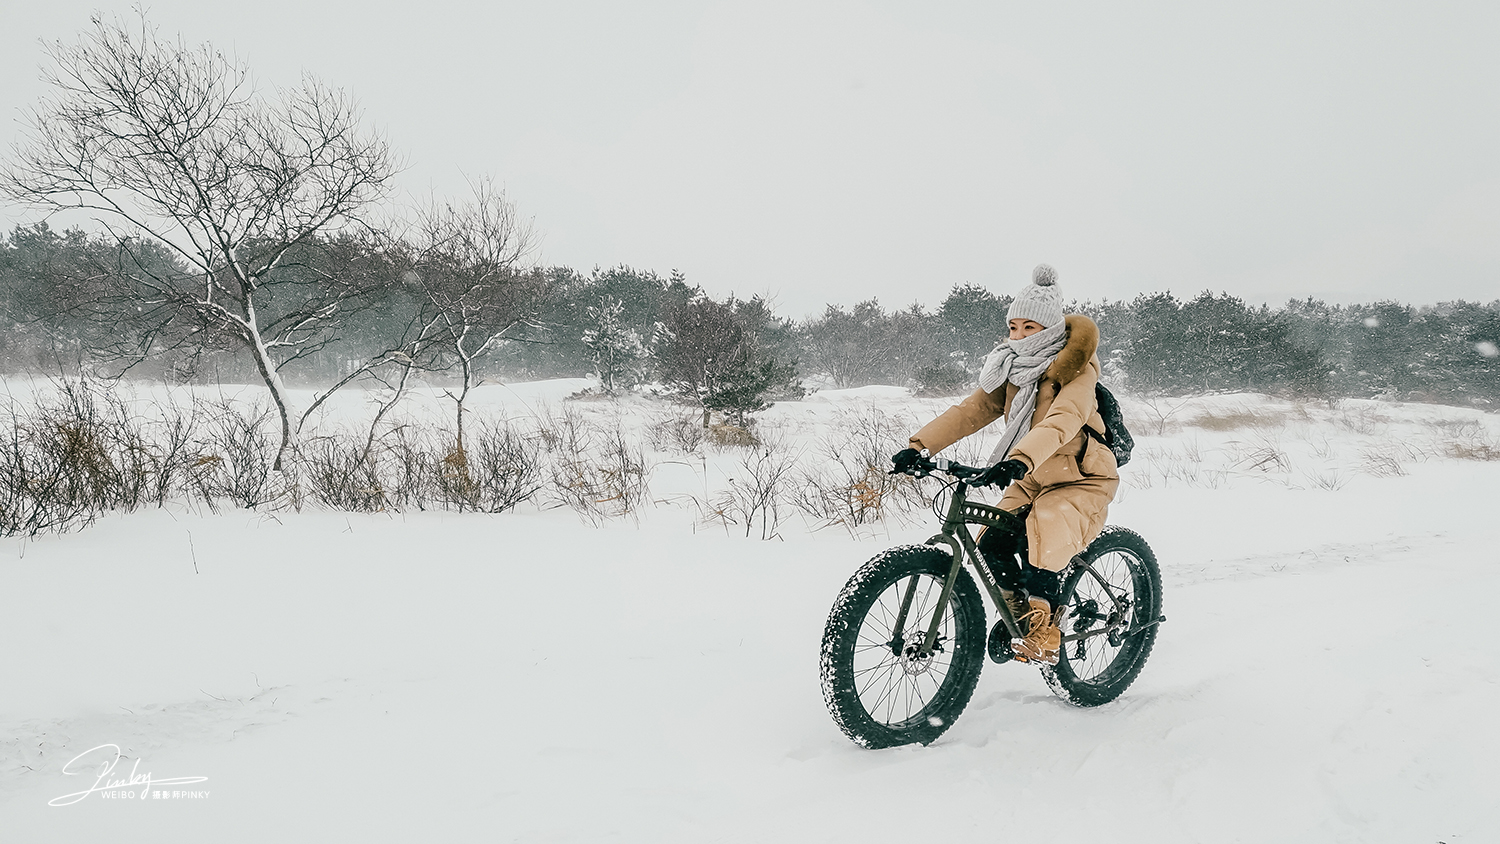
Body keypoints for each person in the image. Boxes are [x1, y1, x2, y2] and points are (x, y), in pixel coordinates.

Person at [891, 265, 1119, 664]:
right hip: (1033, 475)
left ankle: (1044, 627)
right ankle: (1019, 616)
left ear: (1048, 329)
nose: (1017, 336)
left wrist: (1018, 459)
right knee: (991, 539)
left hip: (1082, 477)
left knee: (1046, 525)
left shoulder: (1078, 372)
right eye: (1012, 327)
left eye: (1028, 327)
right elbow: (971, 410)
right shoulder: (1012, 370)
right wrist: (919, 446)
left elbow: (1062, 420)